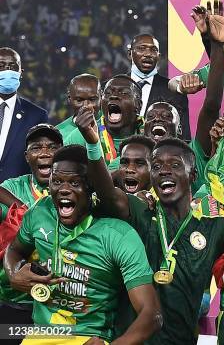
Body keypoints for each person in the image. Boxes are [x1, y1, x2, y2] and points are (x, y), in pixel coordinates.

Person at [75, 101, 224, 343]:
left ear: (192, 176)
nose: (164, 172)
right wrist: (93, 144)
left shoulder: (213, 226)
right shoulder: (141, 210)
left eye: (175, 166)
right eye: (157, 166)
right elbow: (107, 193)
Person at [3, 145, 162, 344]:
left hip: (89, 336)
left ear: (90, 187)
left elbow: (152, 314)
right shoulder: (40, 213)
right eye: (57, 181)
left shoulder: (118, 235)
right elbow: (15, 249)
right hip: (42, 334)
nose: (64, 190)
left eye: (75, 183)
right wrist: (14, 273)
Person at [0, 124, 62, 337]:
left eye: (52, 147)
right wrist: (23, 209)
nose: (45, 152)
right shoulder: (13, 188)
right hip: (15, 301)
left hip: (61, 306)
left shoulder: (75, 189)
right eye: (37, 148)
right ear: (27, 157)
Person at [65, 74, 143, 165]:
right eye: (108, 93)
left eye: (124, 93)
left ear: (138, 105)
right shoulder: (80, 136)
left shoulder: (149, 133)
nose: (114, 96)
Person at [128, 33, 191, 140]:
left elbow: (184, 137)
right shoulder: (110, 87)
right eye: (141, 48)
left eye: (153, 50)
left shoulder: (174, 92)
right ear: (130, 54)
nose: (148, 54)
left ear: (159, 56)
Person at [0, 47, 48, 182]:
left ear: (21, 72)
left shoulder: (37, 115)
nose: (7, 71)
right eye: (1, 66)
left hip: (16, 197)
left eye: (12, 67)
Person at [55, 74, 101, 139]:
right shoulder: (58, 133)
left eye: (92, 99)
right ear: (69, 98)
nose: (86, 106)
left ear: (101, 96)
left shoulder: (112, 122)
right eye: (79, 100)